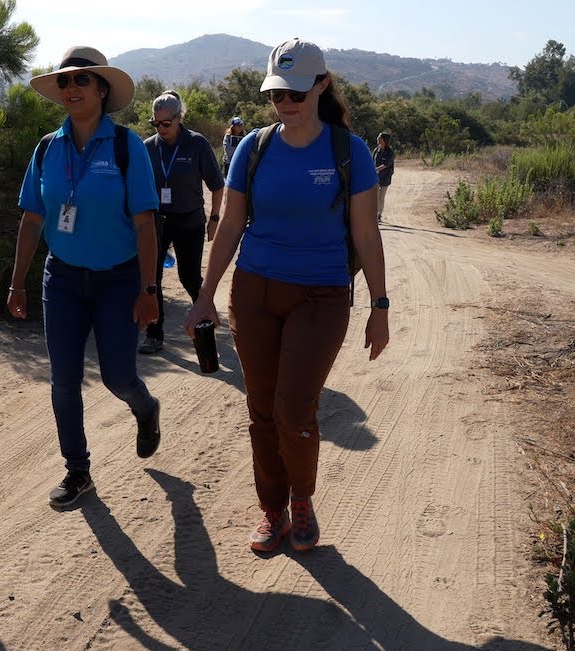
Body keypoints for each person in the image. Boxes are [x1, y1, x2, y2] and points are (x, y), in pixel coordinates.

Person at [184, 38, 389, 553]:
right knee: (260, 408)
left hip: (321, 295)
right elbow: (230, 226)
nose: (285, 103)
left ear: (322, 85)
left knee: (293, 411)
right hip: (255, 291)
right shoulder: (253, 148)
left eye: (296, 93)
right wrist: (205, 296)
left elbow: (366, 235)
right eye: (277, 94)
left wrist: (379, 306)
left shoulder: (349, 152)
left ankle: (301, 499)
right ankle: (272, 508)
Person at [9, 46, 163, 509]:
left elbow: (145, 224)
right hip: (62, 280)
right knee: (64, 380)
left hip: (118, 280)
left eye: (82, 79)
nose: (71, 88)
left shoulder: (126, 146)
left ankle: (146, 407)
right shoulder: (47, 148)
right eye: (64, 81)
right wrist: (17, 283)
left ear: (102, 90)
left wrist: (149, 289)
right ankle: (78, 470)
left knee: (119, 378)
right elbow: (32, 218)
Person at [139, 91, 225, 355]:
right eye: (156, 123)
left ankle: (204, 321)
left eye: (166, 123)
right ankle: (154, 334)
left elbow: (217, 185)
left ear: (180, 118)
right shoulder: (147, 147)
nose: (161, 128)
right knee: (151, 278)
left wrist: (214, 218)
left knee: (189, 277)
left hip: (189, 220)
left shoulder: (197, 144)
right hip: (157, 221)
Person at [373, 132, 395, 223]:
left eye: (379, 138)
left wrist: (375, 169)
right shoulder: (376, 150)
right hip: (376, 176)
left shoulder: (390, 152)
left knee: (381, 196)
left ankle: (379, 215)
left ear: (384, 140)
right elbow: (372, 161)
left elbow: (386, 165)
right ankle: (375, 214)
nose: (377, 139)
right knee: (376, 196)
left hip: (385, 177)